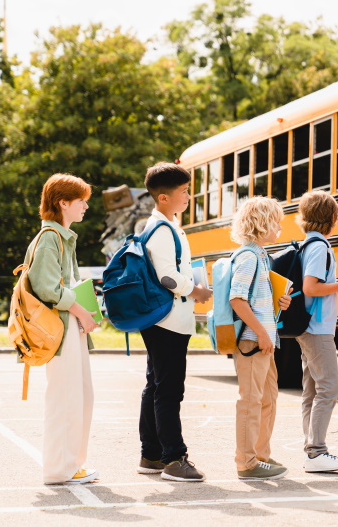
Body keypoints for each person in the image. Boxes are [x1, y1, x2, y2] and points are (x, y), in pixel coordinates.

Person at [137, 162, 213, 482]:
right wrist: (195, 290)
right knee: (168, 390)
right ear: (163, 198)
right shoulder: (163, 230)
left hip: (163, 318)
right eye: (183, 192)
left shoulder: (168, 225)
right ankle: (173, 458)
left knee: (156, 385)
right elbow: (167, 276)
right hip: (167, 319)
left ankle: (151, 454)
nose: (189, 197)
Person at [28, 173, 100, 484]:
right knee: (66, 398)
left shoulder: (60, 236)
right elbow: (47, 288)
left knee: (79, 396)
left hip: (68, 326)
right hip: (60, 328)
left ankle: (70, 465)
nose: (85, 206)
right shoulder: (50, 238)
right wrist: (82, 311)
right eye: (81, 201)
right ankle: (59, 469)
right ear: (63, 203)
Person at [228, 196, 292, 480]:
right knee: (251, 401)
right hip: (254, 340)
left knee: (267, 398)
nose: (279, 227)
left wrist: (277, 301)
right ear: (261, 223)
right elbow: (237, 299)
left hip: (263, 340)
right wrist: (263, 332)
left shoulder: (261, 256)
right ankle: (246, 462)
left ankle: (260, 455)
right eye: (275, 222)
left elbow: (252, 298)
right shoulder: (248, 256)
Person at [295, 190, 338, 473]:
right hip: (317, 329)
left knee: (312, 391)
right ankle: (316, 452)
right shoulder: (319, 247)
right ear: (332, 218)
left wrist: (337, 283)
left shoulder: (309, 244)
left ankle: (312, 449)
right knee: (329, 387)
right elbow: (311, 287)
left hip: (309, 327)